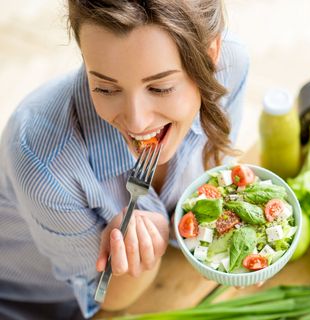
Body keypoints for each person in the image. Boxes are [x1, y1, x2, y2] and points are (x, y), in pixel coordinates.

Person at [0, 0, 249, 318]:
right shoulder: (41, 159)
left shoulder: (232, 66)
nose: (136, 122)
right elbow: (106, 299)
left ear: (211, 55)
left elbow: (211, 184)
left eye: (160, 88)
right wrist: (139, 252)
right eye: (104, 88)